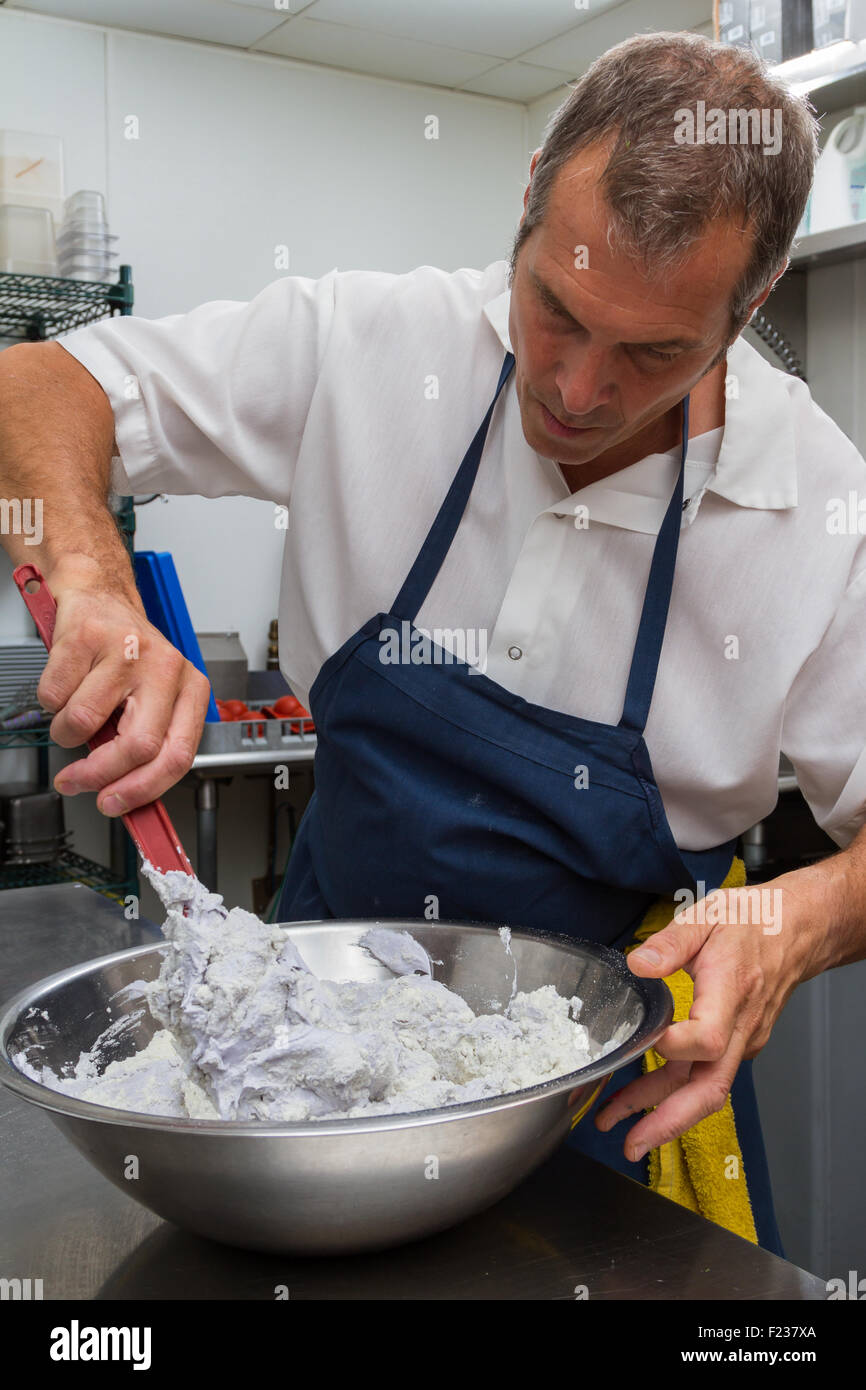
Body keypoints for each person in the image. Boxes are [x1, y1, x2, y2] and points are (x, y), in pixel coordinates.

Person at [1, 32, 863, 1257]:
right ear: (525, 199)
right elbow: (36, 383)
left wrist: (795, 925)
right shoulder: (367, 343)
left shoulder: (818, 512)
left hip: (604, 1104)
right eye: (552, 309)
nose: (572, 386)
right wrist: (88, 577)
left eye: (653, 354)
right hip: (293, 1067)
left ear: (751, 304)